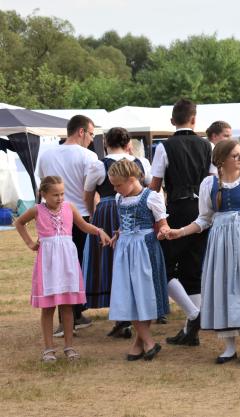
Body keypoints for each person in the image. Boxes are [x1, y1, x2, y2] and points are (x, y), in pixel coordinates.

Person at [165, 140, 240, 364]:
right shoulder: (209, 184)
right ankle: (229, 346)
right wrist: (179, 232)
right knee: (224, 289)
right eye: (235, 156)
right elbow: (203, 219)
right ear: (221, 160)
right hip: (220, 243)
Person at [15, 176, 111, 362]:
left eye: (62, 194)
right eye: (55, 195)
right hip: (48, 264)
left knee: (67, 306)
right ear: (43, 194)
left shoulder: (69, 208)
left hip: (67, 262)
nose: (59, 198)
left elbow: (83, 226)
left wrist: (99, 231)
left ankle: (69, 346)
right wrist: (29, 242)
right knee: (48, 307)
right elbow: (19, 223)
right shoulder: (37, 210)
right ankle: (48, 348)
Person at [150, 98, 213, 347]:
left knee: (162, 266)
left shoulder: (164, 147)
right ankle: (190, 330)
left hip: (177, 208)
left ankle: (194, 316)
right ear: (194, 119)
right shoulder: (206, 145)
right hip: (202, 209)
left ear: (172, 121)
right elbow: (211, 180)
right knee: (193, 267)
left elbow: (155, 186)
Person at [83, 127, 152, 338]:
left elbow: (87, 194)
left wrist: (94, 214)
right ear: (128, 142)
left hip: (107, 212)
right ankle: (134, 313)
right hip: (137, 210)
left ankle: (124, 316)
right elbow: (150, 188)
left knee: (111, 263)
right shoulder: (142, 162)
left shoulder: (98, 165)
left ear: (106, 142)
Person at [36, 115, 99, 336]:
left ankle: (72, 314)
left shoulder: (46, 155)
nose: (92, 139)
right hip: (78, 215)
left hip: (52, 218)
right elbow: (89, 191)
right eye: (91, 134)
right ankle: (69, 318)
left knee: (55, 268)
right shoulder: (88, 156)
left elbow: (43, 184)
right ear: (81, 132)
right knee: (75, 268)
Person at [107, 160, 169, 362]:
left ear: (132, 179)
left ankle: (140, 343)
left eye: (118, 184)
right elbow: (123, 224)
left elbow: (162, 224)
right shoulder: (119, 198)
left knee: (145, 294)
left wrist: (164, 233)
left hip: (145, 248)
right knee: (128, 294)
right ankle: (148, 342)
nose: (115, 189)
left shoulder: (151, 197)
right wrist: (118, 233)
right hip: (125, 249)